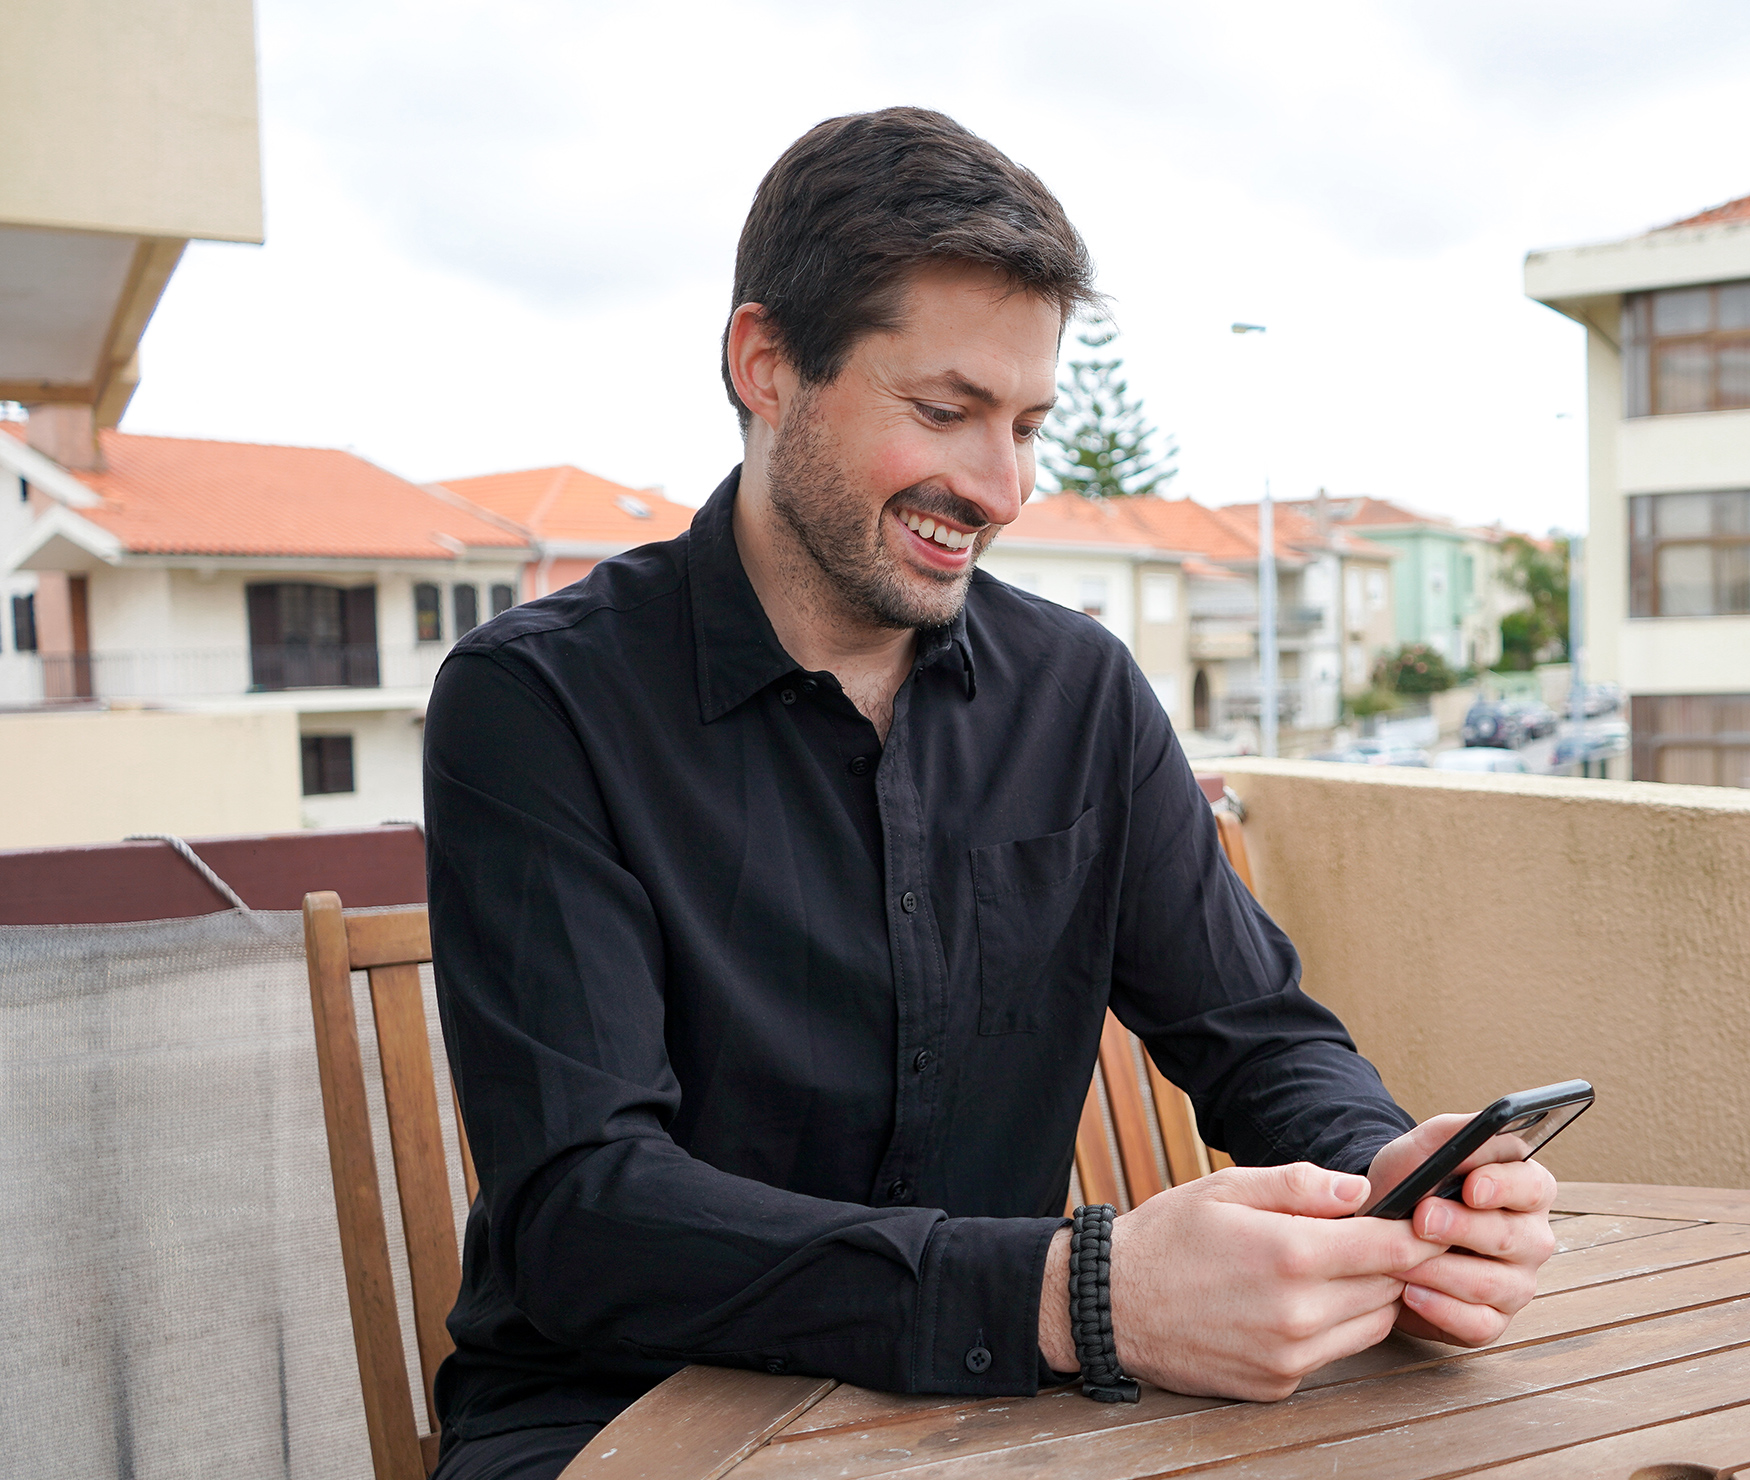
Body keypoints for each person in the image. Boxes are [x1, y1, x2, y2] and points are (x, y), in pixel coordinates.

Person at [421, 106, 1555, 1480]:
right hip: (622, 1415)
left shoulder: (1077, 692)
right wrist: (1082, 1295)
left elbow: (1257, 1037)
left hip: (990, 1417)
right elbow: (591, 1218)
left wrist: (1387, 1176)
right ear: (767, 364)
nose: (1003, 486)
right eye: (946, 412)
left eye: (1027, 424)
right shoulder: (538, 702)